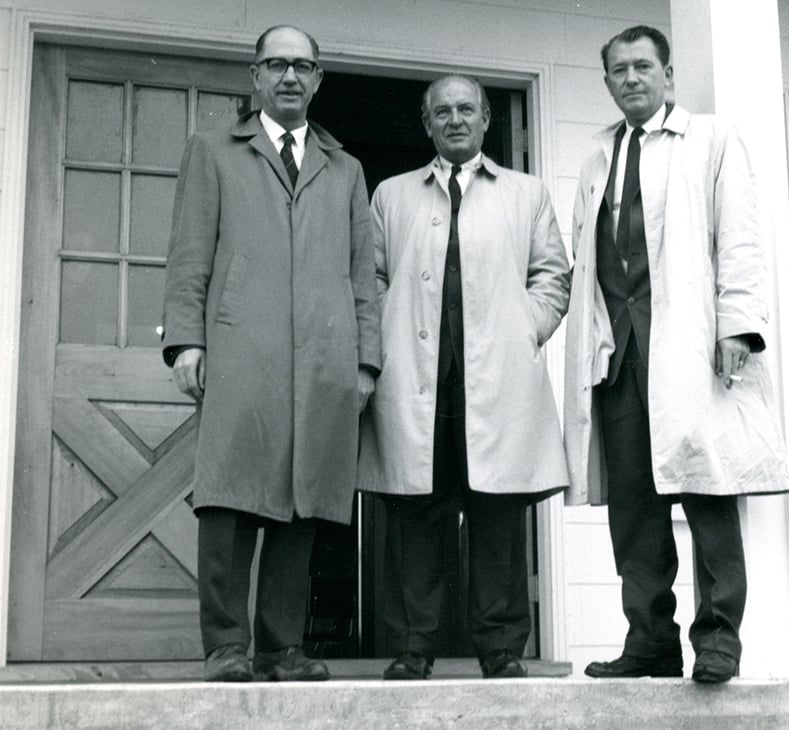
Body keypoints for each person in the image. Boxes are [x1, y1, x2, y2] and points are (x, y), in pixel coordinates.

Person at [562, 25, 789, 684]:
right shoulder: (598, 157)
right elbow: (590, 260)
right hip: (620, 354)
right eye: (618, 71)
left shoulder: (710, 140)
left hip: (691, 348)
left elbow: (740, 237)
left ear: (667, 74)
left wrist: (739, 327)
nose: (630, 79)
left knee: (708, 492)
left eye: (642, 67)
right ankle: (650, 640)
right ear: (607, 83)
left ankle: (718, 638)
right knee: (633, 507)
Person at [161, 25, 380, 682]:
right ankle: (227, 646)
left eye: (303, 66)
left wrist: (365, 358)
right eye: (276, 64)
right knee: (229, 497)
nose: (290, 76)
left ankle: (284, 646)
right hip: (239, 348)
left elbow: (362, 272)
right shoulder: (214, 151)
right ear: (255, 76)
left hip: (323, 357)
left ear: (317, 80)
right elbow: (189, 253)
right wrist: (186, 342)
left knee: (304, 498)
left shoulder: (345, 169)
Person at [358, 75, 570, 680]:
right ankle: (413, 647)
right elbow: (367, 279)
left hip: (496, 384)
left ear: (485, 121)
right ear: (426, 124)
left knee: (498, 520)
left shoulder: (526, 193)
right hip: (416, 384)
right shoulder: (392, 195)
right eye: (442, 111)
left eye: (466, 110)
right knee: (416, 521)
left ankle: (500, 649)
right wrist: (387, 344)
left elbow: (552, 275)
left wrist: (523, 329)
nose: (455, 120)